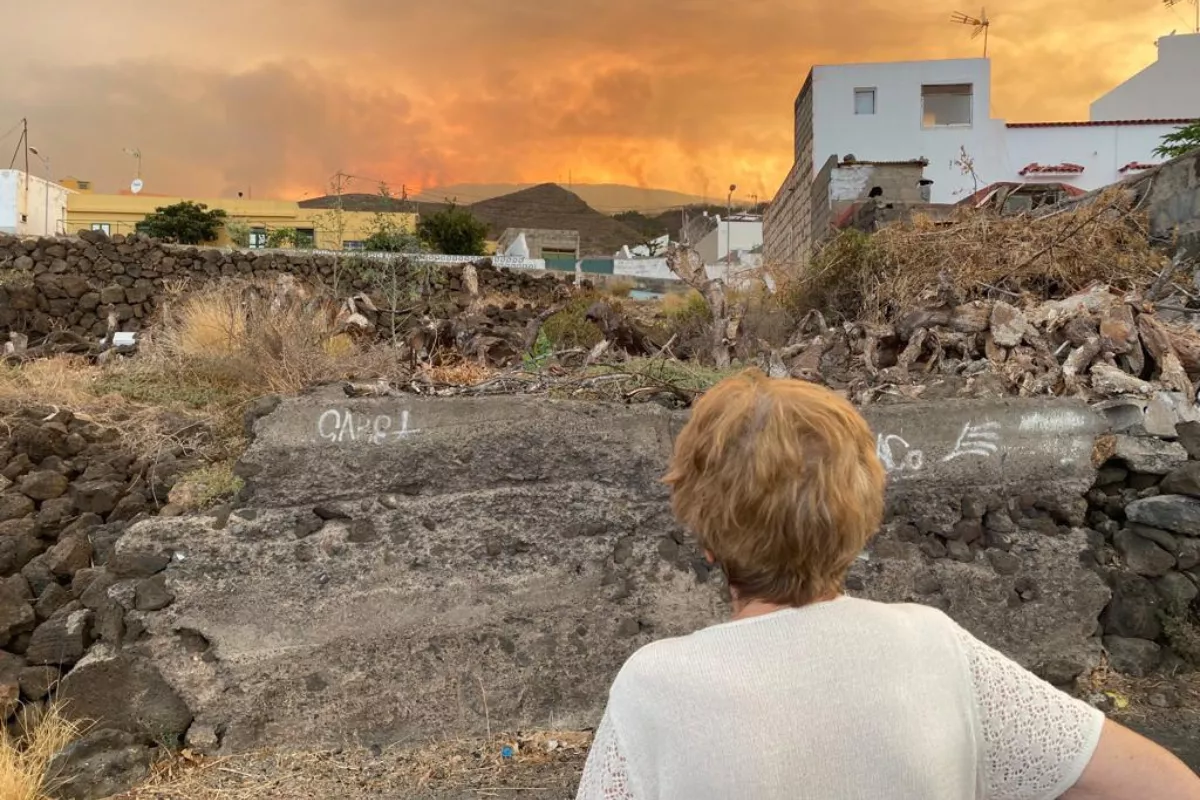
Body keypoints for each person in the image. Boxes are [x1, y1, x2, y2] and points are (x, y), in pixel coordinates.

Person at [575, 369, 1200, 800]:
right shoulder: (934, 650)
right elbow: (1168, 787)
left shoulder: (652, 685)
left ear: (705, 535)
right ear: (865, 518)